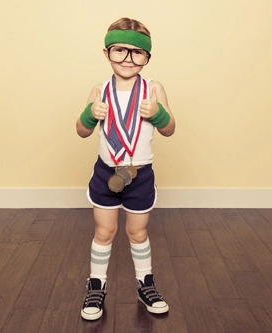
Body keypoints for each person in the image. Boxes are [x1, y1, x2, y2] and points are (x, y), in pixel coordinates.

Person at [76, 17, 175, 321]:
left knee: (138, 231)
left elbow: (170, 128)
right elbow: (81, 131)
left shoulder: (153, 89)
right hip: (107, 172)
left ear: (147, 58)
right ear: (106, 52)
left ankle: (145, 283)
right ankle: (96, 284)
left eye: (137, 53)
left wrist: (157, 113)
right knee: (104, 231)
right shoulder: (99, 90)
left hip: (140, 174)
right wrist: (90, 115)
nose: (128, 59)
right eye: (120, 51)